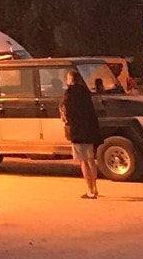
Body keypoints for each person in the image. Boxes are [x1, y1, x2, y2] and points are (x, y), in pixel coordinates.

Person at [61, 68, 102, 199]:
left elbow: (65, 111)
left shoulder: (69, 93)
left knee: (83, 161)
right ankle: (95, 188)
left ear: (70, 80)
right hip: (89, 130)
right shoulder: (86, 92)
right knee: (91, 160)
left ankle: (89, 190)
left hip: (77, 131)